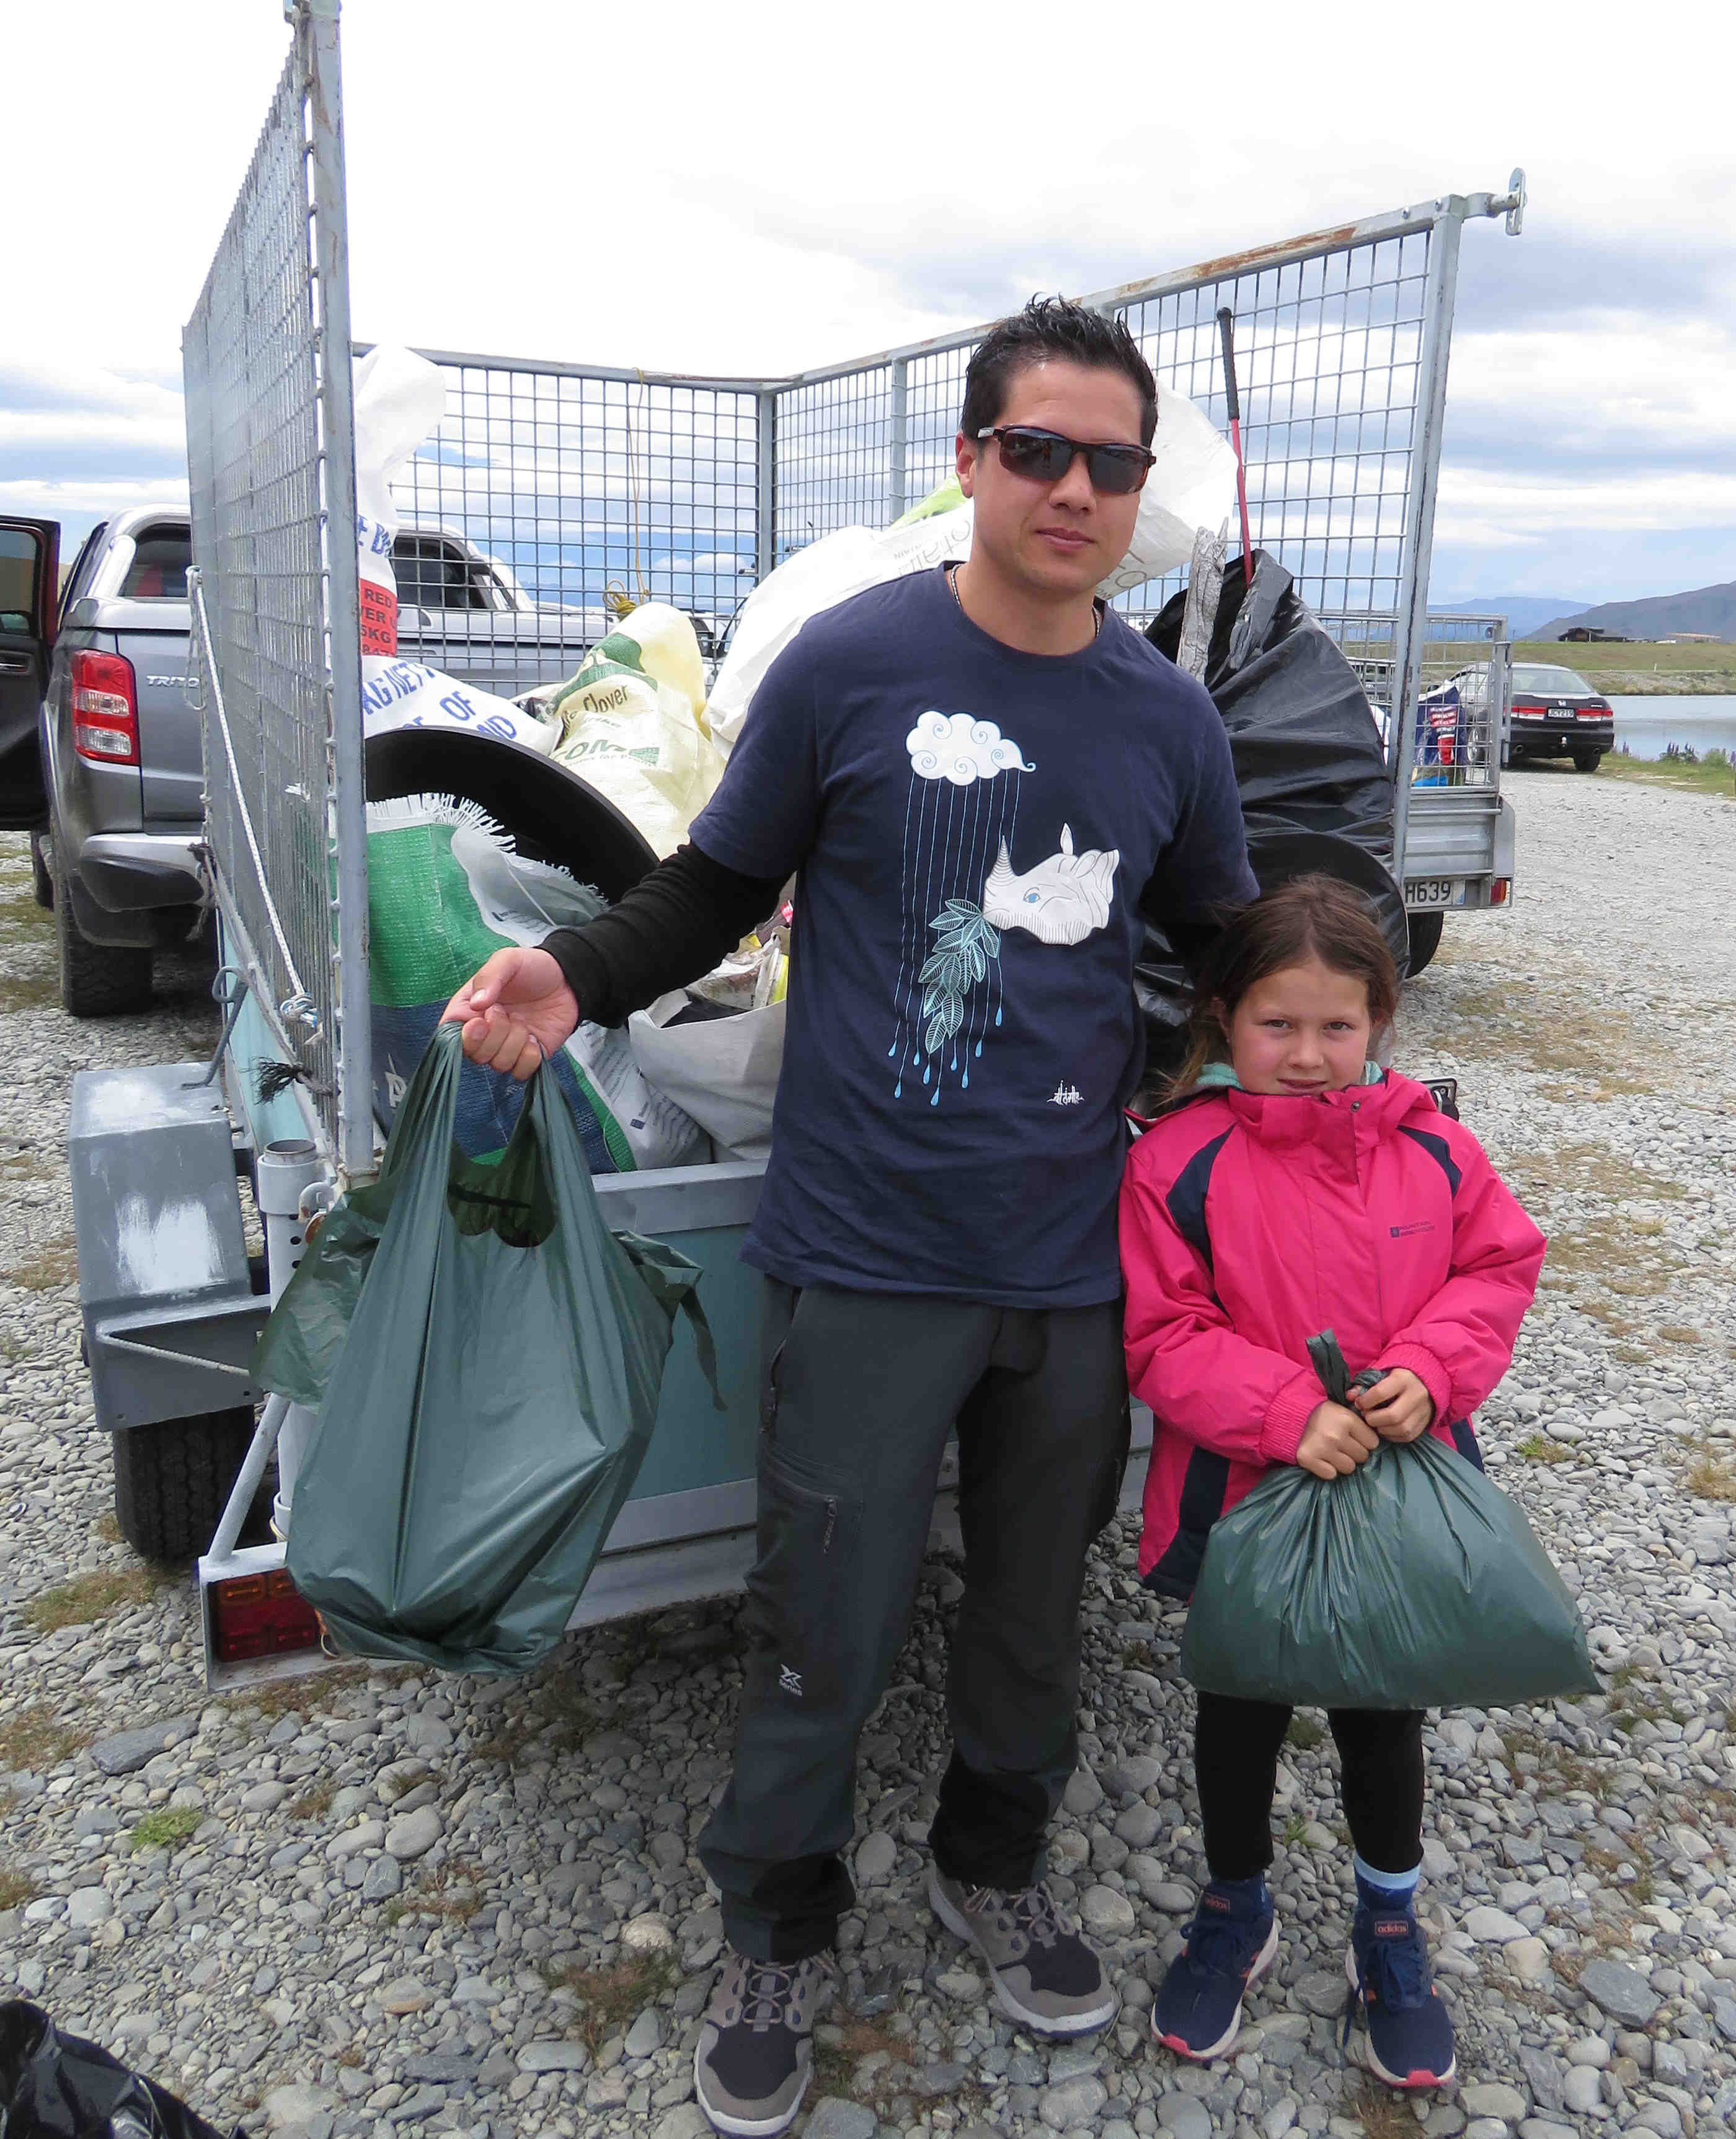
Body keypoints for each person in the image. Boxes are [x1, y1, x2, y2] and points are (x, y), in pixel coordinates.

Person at [443, 298, 1256, 2138]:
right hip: (872, 1248)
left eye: (1109, 463)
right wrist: (572, 975)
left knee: (1037, 1618)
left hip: (1066, 1264)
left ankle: (995, 1860)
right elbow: (718, 879)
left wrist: (1335, 1066)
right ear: (970, 462)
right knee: (829, 1610)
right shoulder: (853, 666)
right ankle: (778, 1923)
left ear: (1139, 493)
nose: (1071, 488)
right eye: (1035, 450)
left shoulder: (1166, 715)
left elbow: (1224, 943)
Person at [1117, 876, 1546, 2089]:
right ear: (1221, 1017)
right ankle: (1236, 1901)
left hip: (1397, 1501)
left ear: (1381, 1021)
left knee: (1381, 1712)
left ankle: (1391, 1919)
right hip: (1241, 1498)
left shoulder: (1437, 1147)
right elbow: (1161, 1335)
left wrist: (1431, 1368)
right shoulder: (1176, 1165)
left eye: (1337, 1027)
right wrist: (1281, 1410)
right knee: (1240, 1707)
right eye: (1276, 1025)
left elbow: (1496, 1271)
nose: (1307, 1054)